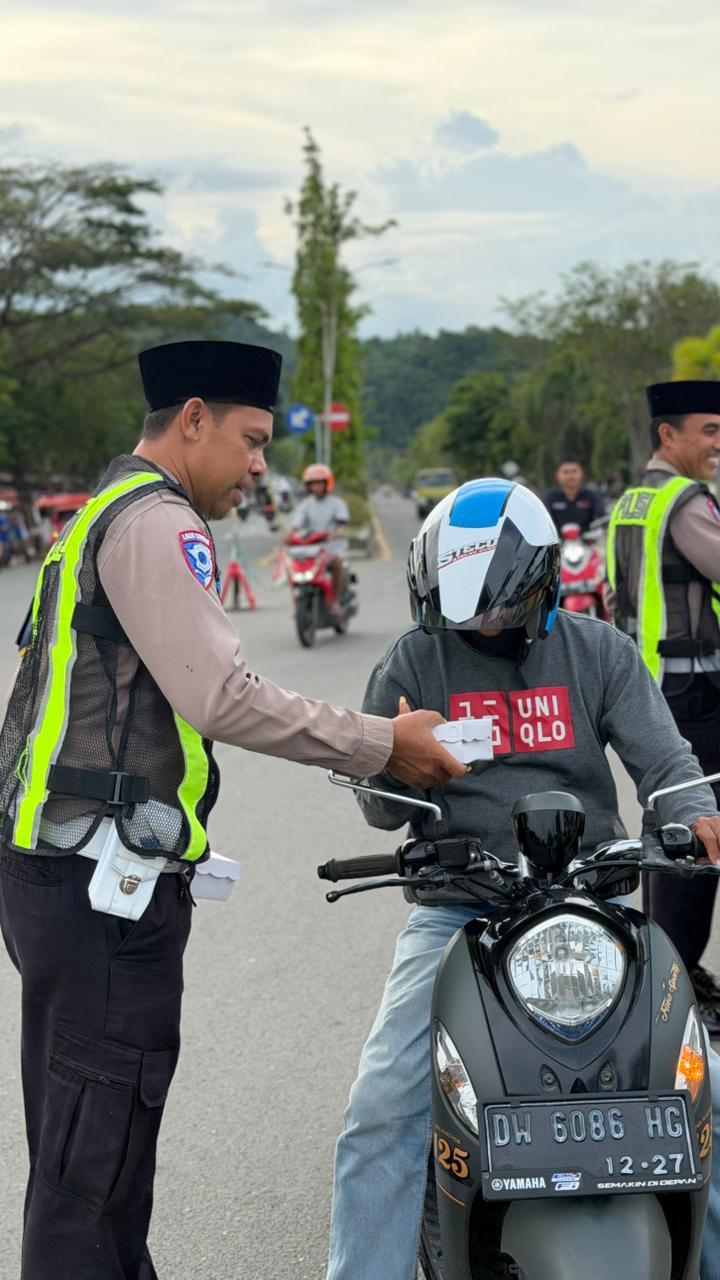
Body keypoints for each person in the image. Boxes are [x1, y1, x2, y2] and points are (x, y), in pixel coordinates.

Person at [0, 339, 465, 1280]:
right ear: (193, 419)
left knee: (91, 1156)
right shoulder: (157, 522)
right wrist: (384, 742)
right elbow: (222, 696)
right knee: (91, 1175)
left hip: (62, 873)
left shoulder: (102, 508)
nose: (260, 466)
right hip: (98, 890)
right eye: (251, 441)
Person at [325, 477, 720, 1280]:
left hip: (596, 906)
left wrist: (695, 812)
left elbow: (666, 761)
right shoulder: (414, 660)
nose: (480, 629)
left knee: (697, 1090)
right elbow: (378, 813)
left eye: (497, 612)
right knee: (383, 1107)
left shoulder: (598, 651)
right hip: (459, 913)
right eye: (462, 615)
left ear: (542, 585)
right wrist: (395, 758)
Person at [607, 380, 720, 1033]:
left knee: (668, 830)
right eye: (708, 430)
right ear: (668, 435)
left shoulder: (632, 501)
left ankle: (670, 971)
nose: (717, 443)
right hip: (692, 689)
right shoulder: (685, 502)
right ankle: (676, 984)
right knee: (697, 834)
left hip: (646, 688)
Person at [289, 463, 349, 617]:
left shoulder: (337, 503)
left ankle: (335, 602)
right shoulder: (305, 505)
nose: (316, 487)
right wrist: (289, 535)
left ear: (327, 483)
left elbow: (342, 524)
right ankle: (298, 601)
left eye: (319, 483)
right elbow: (296, 524)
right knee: (294, 566)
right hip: (313, 548)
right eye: (312, 483)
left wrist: (338, 533)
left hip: (333, 547)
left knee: (337, 563)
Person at [543, 453, 606, 534]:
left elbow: (603, 519)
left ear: (582, 473)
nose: (570, 476)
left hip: (588, 540)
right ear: (557, 475)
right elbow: (543, 522)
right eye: (565, 472)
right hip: (557, 541)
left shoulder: (592, 496)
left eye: (574, 471)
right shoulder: (549, 498)